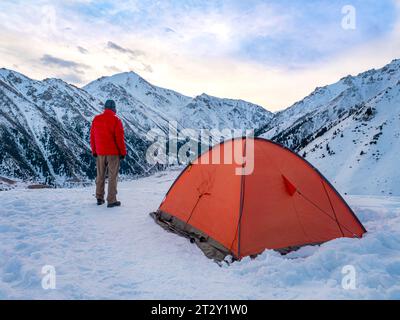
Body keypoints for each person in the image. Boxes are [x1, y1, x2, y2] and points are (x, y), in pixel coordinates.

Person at [90, 99, 127, 208]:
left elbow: (92, 137)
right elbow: (119, 138)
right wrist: (123, 152)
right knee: (112, 177)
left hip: (100, 152)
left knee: (100, 175)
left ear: (105, 108)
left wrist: (94, 151)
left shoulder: (96, 119)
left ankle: (99, 197)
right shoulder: (116, 120)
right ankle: (111, 200)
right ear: (114, 108)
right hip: (113, 153)